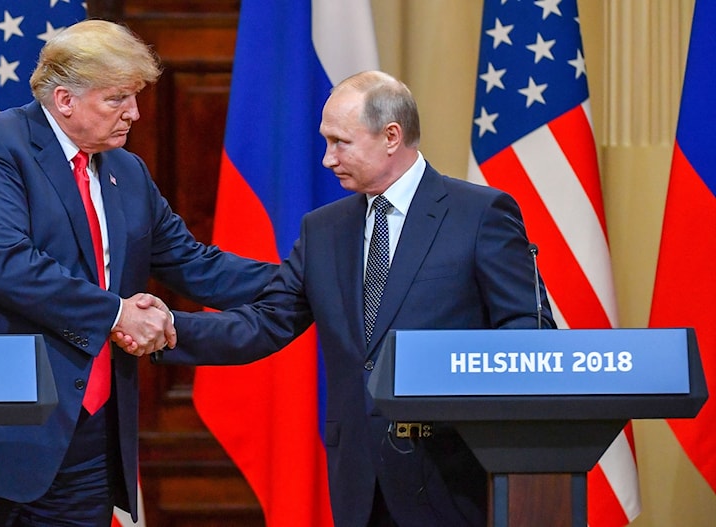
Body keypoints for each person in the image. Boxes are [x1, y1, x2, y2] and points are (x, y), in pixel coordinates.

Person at [138, 71, 556, 527]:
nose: (326, 159)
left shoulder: (479, 213)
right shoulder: (324, 229)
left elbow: (527, 334)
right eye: (326, 142)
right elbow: (268, 321)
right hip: (360, 476)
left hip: (454, 472)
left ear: (391, 136)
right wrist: (168, 329)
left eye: (340, 143)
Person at [0, 19, 276, 526]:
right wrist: (117, 314)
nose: (134, 112)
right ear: (64, 99)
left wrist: (306, 281)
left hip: (90, 440)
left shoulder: (125, 170)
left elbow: (192, 262)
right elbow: (9, 266)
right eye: (117, 99)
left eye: (134, 97)